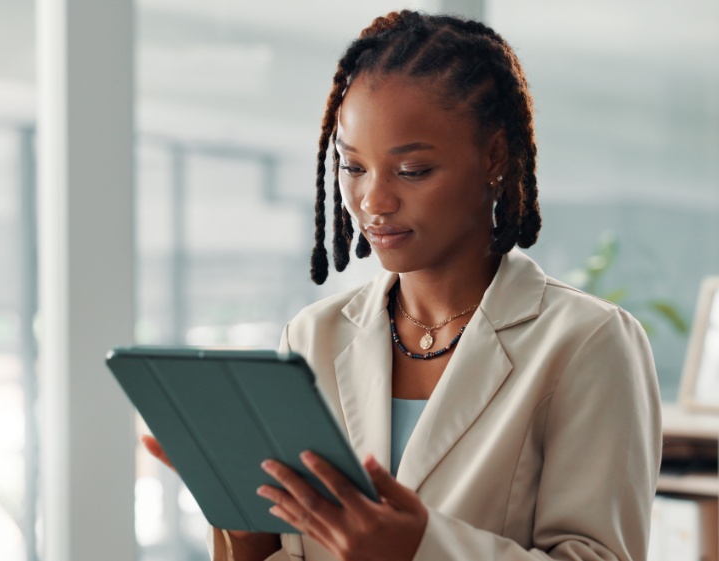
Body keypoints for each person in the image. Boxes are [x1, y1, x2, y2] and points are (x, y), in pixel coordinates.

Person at [145, 10, 661, 561]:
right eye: (353, 167)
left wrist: (419, 549)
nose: (373, 201)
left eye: (412, 171)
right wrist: (242, 523)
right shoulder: (312, 337)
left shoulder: (587, 341)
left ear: (493, 156)